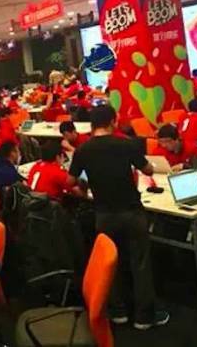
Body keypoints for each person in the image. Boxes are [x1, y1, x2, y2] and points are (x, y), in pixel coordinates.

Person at [68, 105, 168, 330]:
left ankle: (118, 311)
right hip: (131, 211)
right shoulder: (126, 144)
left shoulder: (82, 150)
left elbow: (70, 182)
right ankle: (144, 317)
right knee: (140, 263)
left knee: (110, 262)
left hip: (104, 214)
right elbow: (148, 170)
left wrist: (86, 183)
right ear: (112, 121)